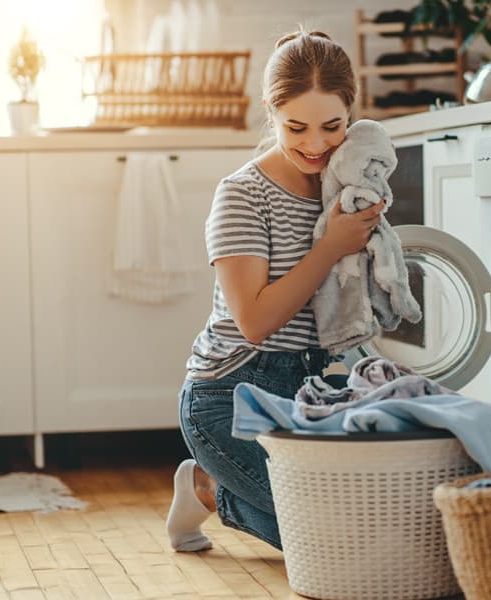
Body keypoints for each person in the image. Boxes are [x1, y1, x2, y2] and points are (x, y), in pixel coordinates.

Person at [165, 28, 386, 552]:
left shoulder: (348, 187)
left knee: (378, 521)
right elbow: (256, 322)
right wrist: (330, 247)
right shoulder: (242, 195)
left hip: (312, 389)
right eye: (296, 127)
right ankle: (207, 485)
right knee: (337, 546)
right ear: (270, 112)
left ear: (352, 114)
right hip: (230, 395)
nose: (315, 145)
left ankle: (219, 488)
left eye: (332, 127)